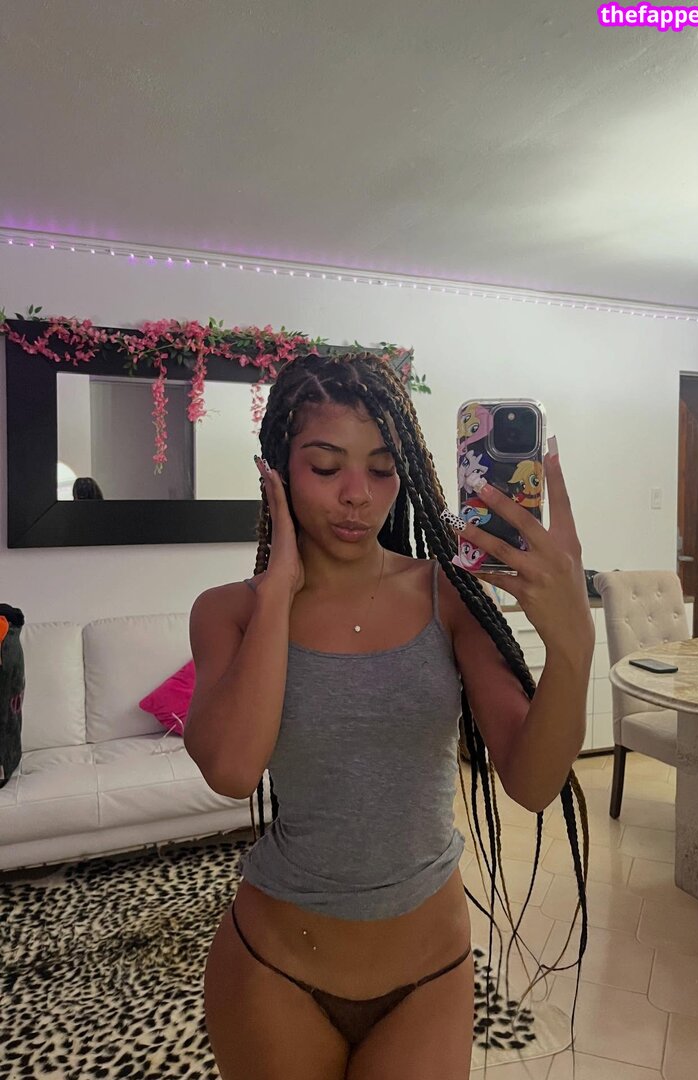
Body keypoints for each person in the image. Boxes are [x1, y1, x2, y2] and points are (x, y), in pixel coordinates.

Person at [183, 351, 593, 1080]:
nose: (357, 496)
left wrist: (573, 646)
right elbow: (232, 769)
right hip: (274, 969)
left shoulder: (449, 596)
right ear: (277, 471)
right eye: (325, 466)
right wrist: (278, 593)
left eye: (381, 469)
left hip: (428, 977)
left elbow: (533, 783)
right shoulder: (229, 613)